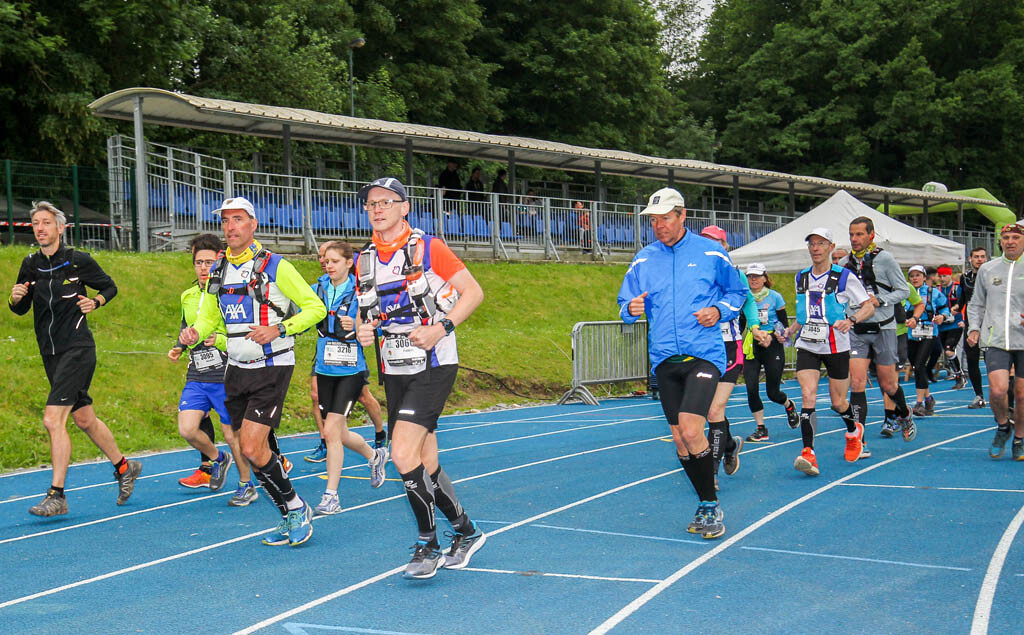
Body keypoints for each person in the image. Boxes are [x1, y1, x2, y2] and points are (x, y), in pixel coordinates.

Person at [355, 176, 487, 579]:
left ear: (404, 207)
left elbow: (473, 293)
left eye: (386, 201)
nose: (378, 209)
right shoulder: (365, 259)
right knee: (425, 460)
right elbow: (366, 312)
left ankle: (427, 544)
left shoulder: (429, 247)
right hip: (395, 367)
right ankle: (466, 531)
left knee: (401, 454)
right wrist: (363, 328)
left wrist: (441, 328)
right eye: (372, 203)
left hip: (433, 363)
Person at [179, 196, 326, 547]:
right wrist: (195, 333)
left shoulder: (276, 265)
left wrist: (280, 329)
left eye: (238, 219)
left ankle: (295, 508)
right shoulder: (218, 268)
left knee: (250, 445)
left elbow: (315, 308)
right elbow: (209, 317)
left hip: (272, 365)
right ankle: (290, 512)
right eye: (225, 220)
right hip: (235, 368)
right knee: (251, 452)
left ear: (253, 224)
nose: (230, 227)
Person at [618, 188, 747, 539]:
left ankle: (711, 505)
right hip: (664, 358)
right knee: (679, 439)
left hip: (703, 354)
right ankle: (705, 501)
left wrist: (718, 310)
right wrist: (630, 309)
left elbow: (737, 293)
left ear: (682, 215)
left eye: (665, 218)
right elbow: (625, 302)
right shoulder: (643, 259)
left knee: (692, 430)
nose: (659, 225)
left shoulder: (711, 253)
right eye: (653, 220)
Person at [9, 201, 141, 516]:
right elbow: (22, 308)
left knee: (52, 419)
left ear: (60, 228)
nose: (40, 228)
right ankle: (125, 467)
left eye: (46, 222)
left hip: (78, 349)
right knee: (83, 419)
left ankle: (57, 495)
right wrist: (15, 299)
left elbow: (109, 287)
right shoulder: (30, 264)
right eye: (36, 223)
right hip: (50, 353)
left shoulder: (78, 260)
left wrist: (96, 302)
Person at [168, 234, 257, 505]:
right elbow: (186, 326)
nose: (204, 268)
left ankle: (246, 484)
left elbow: (242, 332)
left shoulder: (229, 292)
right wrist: (179, 346)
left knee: (232, 434)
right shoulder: (187, 295)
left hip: (226, 373)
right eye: (199, 263)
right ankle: (219, 458)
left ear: (219, 263)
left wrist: (217, 339)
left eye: (209, 262)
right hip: (197, 373)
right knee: (187, 428)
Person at [785, 228, 874, 476]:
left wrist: (852, 320)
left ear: (831, 247)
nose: (815, 248)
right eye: (812, 243)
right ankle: (808, 453)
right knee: (808, 395)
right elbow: (804, 313)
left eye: (821, 243)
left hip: (836, 345)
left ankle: (854, 431)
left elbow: (868, 306)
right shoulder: (801, 276)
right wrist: (790, 331)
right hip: (807, 343)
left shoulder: (844, 277)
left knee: (838, 403)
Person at [310, 241, 389, 515]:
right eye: (326, 261)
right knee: (340, 433)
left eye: (334, 261)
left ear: (348, 262)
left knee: (331, 431)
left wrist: (357, 325)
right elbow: (302, 312)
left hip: (351, 370)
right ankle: (374, 456)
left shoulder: (362, 292)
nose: (328, 265)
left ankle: (331, 496)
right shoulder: (317, 289)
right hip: (325, 368)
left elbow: (377, 326)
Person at [842, 217, 914, 445]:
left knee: (888, 384)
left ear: (871, 235)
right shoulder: (844, 263)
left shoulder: (885, 259)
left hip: (884, 327)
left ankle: (905, 413)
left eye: (859, 234)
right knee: (857, 382)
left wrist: (880, 300)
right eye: (851, 234)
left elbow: (903, 291)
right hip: (856, 329)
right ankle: (858, 440)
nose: (854, 239)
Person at [698, 225, 757, 485]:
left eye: (715, 242)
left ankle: (710, 473)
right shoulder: (693, 273)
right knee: (708, 411)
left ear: (725, 246)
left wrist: (754, 326)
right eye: (704, 241)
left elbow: (749, 301)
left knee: (714, 410)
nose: (709, 247)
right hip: (701, 348)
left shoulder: (734, 273)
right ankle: (730, 445)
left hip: (729, 347)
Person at [967, 221, 1024, 460]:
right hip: (996, 338)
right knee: (998, 391)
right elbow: (976, 303)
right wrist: (974, 328)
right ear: (1000, 241)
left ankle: (1019, 438)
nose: (1010, 242)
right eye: (1006, 238)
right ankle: (1003, 426)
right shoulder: (988, 269)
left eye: (1016, 237)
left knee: (1021, 395)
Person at [742, 262, 798, 442]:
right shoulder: (743, 297)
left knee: (773, 393)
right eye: (750, 276)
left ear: (765, 278)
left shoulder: (775, 297)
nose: (754, 279)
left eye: (757, 276)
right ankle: (761, 428)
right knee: (751, 387)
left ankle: (789, 405)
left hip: (772, 345)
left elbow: (784, 324)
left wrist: (777, 336)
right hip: (752, 346)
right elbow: (741, 324)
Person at [905, 265, 951, 417]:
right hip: (910, 333)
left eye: (918, 275)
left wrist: (942, 316)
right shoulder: (905, 293)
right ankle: (929, 399)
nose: (915, 278)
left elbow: (945, 308)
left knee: (919, 366)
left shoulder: (933, 293)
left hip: (929, 332)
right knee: (916, 367)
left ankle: (919, 403)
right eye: (912, 276)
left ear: (924, 277)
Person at [960, 246, 990, 408]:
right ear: (970, 259)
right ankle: (979, 395)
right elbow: (962, 299)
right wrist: (955, 309)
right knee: (972, 360)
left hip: (990, 324)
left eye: (982, 256)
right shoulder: (965, 278)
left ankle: (1000, 393)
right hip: (971, 324)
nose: (979, 259)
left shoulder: (992, 275)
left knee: (992, 361)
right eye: (976, 257)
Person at [936, 265, 967, 389]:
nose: (942, 278)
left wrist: (963, 319)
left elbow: (965, 302)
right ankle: (959, 374)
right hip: (942, 325)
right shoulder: (936, 290)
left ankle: (959, 375)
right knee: (946, 352)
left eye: (945, 276)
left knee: (949, 350)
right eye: (940, 276)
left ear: (950, 275)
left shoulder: (957, 288)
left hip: (956, 324)